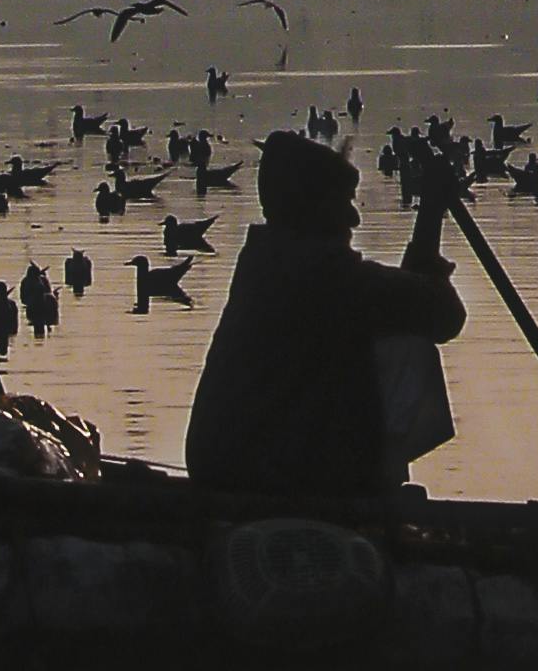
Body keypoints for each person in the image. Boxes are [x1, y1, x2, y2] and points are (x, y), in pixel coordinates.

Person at [182, 131, 463, 496]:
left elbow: (412, 304)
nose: (354, 218)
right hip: (263, 476)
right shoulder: (320, 277)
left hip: (239, 467)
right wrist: (430, 212)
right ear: (310, 206)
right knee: (407, 345)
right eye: (343, 202)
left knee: (402, 343)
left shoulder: (268, 265)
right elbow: (441, 315)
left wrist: (430, 215)